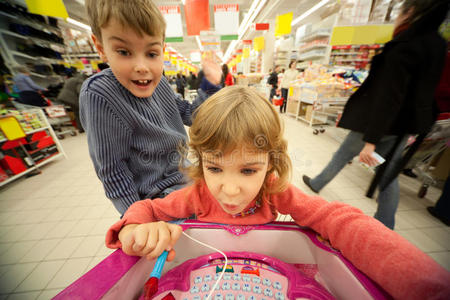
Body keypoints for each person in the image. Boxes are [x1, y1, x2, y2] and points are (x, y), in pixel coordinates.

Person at [105, 86, 450, 300]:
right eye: (214, 167)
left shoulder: (274, 192)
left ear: (270, 166)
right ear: (200, 163)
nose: (229, 188)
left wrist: (425, 285)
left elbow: (335, 219)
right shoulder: (195, 195)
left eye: (248, 170)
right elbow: (147, 208)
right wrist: (135, 229)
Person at [302, 0, 448, 229]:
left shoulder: (404, 46)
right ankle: (385, 221)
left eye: (399, 12)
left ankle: (318, 183)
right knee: (387, 171)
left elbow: (389, 97)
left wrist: (371, 140)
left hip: (380, 124)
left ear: (409, 13)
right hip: (405, 125)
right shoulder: (437, 44)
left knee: (344, 154)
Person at [80, 0, 222, 214]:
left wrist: (209, 86)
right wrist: (136, 218)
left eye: (151, 54)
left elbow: (190, 115)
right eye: (124, 52)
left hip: (189, 177)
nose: (142, 67)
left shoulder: (160, 83)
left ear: (162, 50)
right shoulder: (100, 94)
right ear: (101, 48)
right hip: (158, 199)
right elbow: (112, 169)